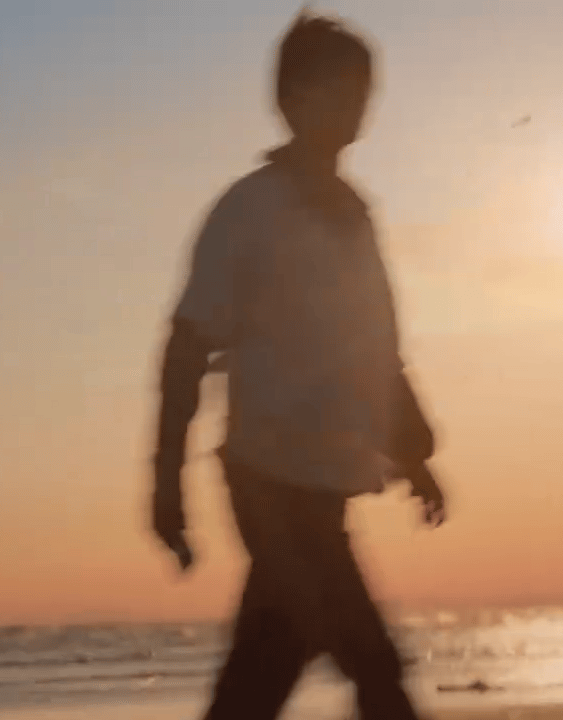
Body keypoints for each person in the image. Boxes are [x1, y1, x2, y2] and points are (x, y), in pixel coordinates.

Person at [150, 11, 447, 720]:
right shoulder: (250, 210)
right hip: (268, 484)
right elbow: (185, 349)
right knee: (373, 665)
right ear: (288, 100)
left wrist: (414, 455)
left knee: (264, 668)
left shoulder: (355, 217)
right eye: (334, 88)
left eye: (362, 90)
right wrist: (163, 483)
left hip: (326, 485)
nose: (353, 105)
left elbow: (376, 352)